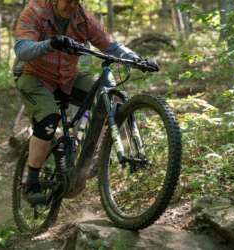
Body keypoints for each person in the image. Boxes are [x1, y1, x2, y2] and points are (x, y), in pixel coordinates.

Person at [13, 0, 159, 204]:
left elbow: (111, 46)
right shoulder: (35, 11)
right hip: (33, 75)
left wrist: (139, 60)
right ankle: (31, 182)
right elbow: (21, 49)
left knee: (109, 96)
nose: (72, 5)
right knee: (48, 119)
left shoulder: (84, 18)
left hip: (67, 77)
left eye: (77, 0)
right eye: (68, 0)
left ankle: (91, 156)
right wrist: (50, 43)